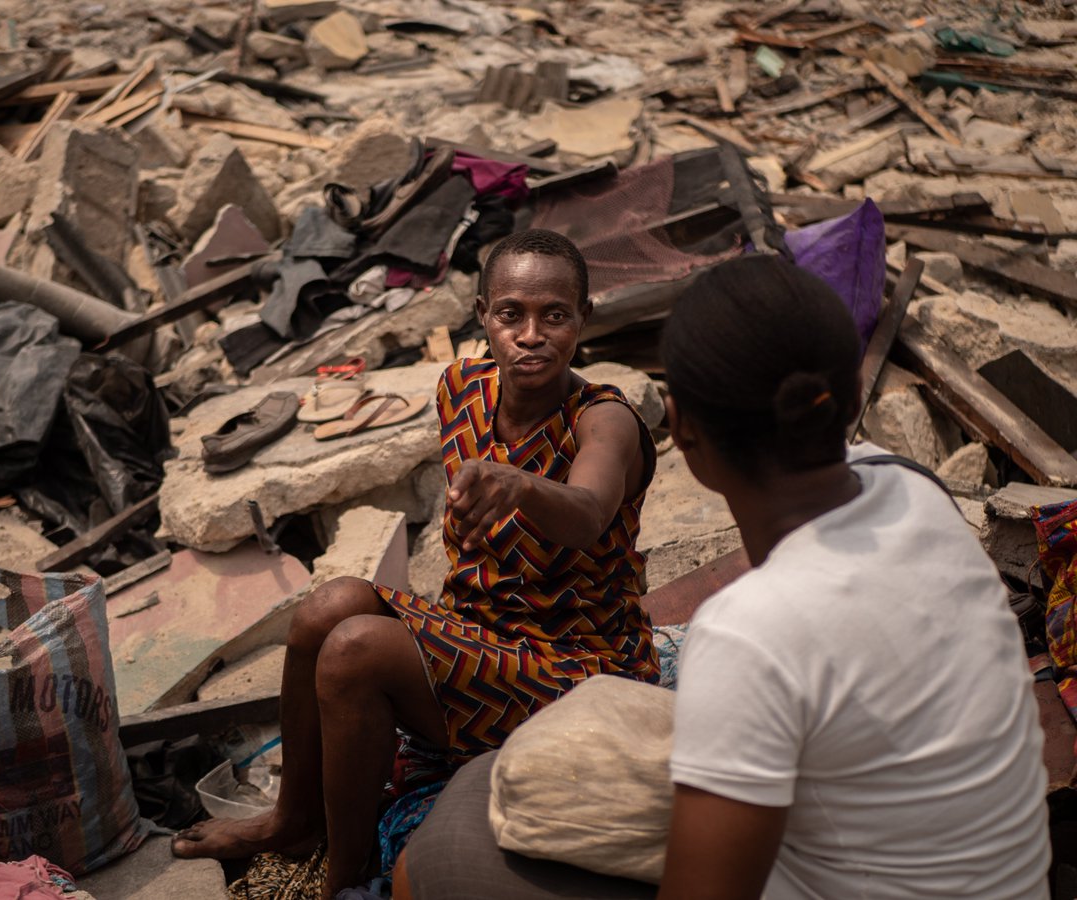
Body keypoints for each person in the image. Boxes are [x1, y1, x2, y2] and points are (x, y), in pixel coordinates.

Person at [394, 253, 1050, 900]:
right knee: (490, 779)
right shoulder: (911, 488)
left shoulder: (746, 634)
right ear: (851, 399)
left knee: (433, 859)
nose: (531, 334)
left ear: (681, 431)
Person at [172, 228, 660, 898]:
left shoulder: (605, 419)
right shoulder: (459, 388)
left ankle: (347, 876)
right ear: (483, 315)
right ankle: (293, 819)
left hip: (578, 665)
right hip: (484, 635)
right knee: (325, 607)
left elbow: (587, 511)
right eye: (511, 314)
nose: (531, 334)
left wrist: (521, 486)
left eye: (555, 315)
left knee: (355, 652)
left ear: (584, 319)